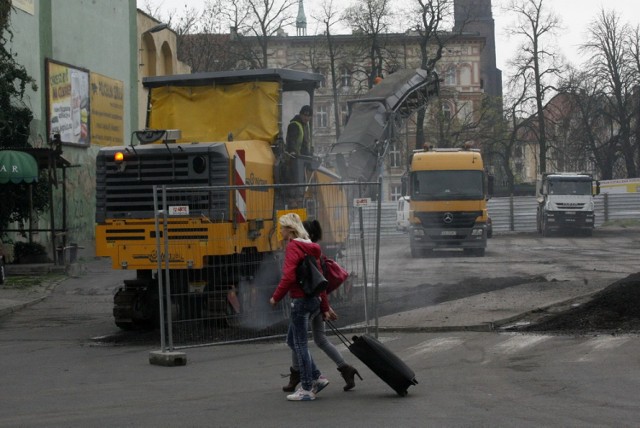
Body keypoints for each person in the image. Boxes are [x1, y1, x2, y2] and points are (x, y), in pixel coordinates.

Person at [282, 219, 362, 393]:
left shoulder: (306, 254)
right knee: (319, 339)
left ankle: (304, 374)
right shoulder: (315, 252)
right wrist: (325, 307)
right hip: (318, 303)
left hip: (308, 303)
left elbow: (319, 286)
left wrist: (325, 307)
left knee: (296, 341)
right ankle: (345, 368)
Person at [270, 213, 329, 401]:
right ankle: (317, 377)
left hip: (300, 300)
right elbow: (320, 278)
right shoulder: (310, 247)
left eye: (282, 227)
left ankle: (306, 388)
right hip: (313, 300)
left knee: (300, 344)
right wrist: (324, 305)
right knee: (291, 340)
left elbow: (288, 277)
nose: (280, 230)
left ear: (290, 229)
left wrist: (275, 298)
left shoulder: (293, 247)